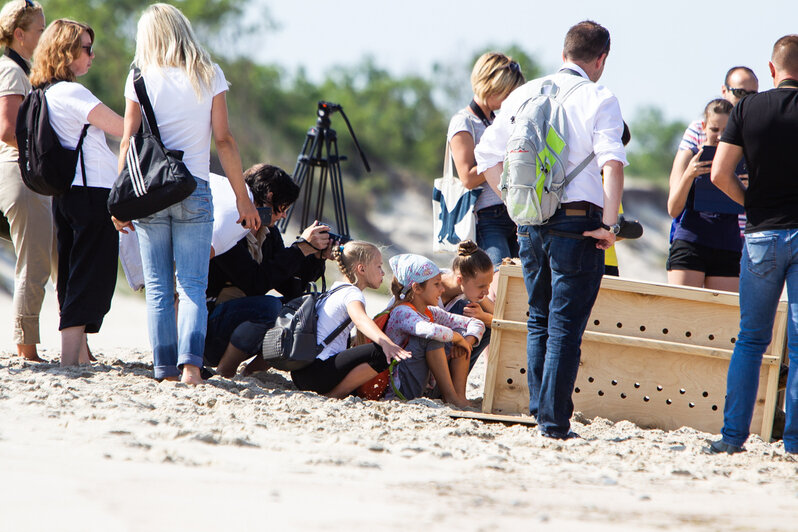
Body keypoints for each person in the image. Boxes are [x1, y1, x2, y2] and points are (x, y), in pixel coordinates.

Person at [474, 20, 627, 439]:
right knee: (564, 324)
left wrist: (514, 206)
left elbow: (486, 156)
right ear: (601, 59)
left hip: (531, 223)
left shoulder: (524, 93)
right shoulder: (600, 96)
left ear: (563, 54)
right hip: (578, 224)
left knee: (539, 317)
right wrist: (610, 225)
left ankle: (541, 411)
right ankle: (554, 422)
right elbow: (611, 163)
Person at [113, 3, 258, 384]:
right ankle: (191, 367)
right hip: (194, 190)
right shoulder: (208, 74)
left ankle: (164, 370)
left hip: (151, 194)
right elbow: (224, 141)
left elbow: (128, 140)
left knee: (159, 287)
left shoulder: (139, 76)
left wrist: (121, 196)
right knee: (192, 285)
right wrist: (243, 198)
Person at [709, 35, 798, 455]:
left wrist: (754, 205)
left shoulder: (746, 107)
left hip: (761, 235)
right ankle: (795, 441)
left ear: (771, 68)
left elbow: (719, 174)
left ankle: (731, 439)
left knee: (750, 339)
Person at [29, 19, 122, 366]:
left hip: (66, 194)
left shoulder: (45, 93)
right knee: (89, 275)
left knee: (72, 272)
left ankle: (79, 354)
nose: (92, 55)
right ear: (65, 52)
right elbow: (123, 127)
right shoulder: (72, 92)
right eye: (85, 48)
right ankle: (71, 358)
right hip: (91, 192)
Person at [204, 163, 330, 372]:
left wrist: (316, 255)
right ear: (269, 197)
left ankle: (254, 372)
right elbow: (255, 283)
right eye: (283, 208)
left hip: (236, 318)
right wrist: (300, 249)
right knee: (269, 308)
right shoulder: (229, 228)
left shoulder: (269, 234)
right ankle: (225, 370)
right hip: (210, 324)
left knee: (305, 310)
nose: (283, 216)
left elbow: (290, 286)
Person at [289, 241, 411, 397]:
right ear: (361, 269)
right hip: (317, 374)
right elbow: (360, 319)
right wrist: (387, 343)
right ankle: (335, 395)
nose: (383, 273)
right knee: (381, 352)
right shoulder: (352, 293)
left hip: (301, 373)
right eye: (379, 266)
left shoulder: (335, 289)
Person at [0, 0, 49, 361]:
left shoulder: (18, 69)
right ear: (19, 34)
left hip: (22, 174)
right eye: (39, 30)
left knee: (42, 262)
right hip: (19, 173)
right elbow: (7, 129)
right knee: (32, 266)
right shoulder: (11, 71)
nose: (44, 36)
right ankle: (25, 347)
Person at [448, 52, 525, 266]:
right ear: (491, 85)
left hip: (513, 213)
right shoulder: (464, 121)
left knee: (521, 280)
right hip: (488, 216)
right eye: (506, 91)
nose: (509, 97)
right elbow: (467, 178)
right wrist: (500, 155)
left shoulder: (497, 120)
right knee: (497, 278)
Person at [384, 253, 485, 409]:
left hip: (424, 387)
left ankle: (459, 396)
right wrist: (456, 337)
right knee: (433, 338)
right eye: (436, 284)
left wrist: (466, 340)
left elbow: (475, 323)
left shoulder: (430, 311)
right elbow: (428, 330)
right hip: (401, 388)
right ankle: (452, 398)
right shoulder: (402, 311)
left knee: (460, 339)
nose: (442, 289)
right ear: (417, 288)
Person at [666, 99, 741, 291]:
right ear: (704, 127)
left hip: (728, 245)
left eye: (726, 130)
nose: (720, 136)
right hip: (690, 242)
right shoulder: (690, 156)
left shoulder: (742, 161)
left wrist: (747, 186)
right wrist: (689, 174)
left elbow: (754, 208)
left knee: (720, 318)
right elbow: (673, 209)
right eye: (715, 129)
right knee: (680, 314)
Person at [438, 240, 494, 371]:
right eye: (481, 286)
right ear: (460, 279)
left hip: (447, 355)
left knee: (488, 325)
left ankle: (450, 386)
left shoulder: (469, 289)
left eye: (489, 284)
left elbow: (500, 320)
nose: (486, 291)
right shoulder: (429, 285)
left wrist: (483, 317)